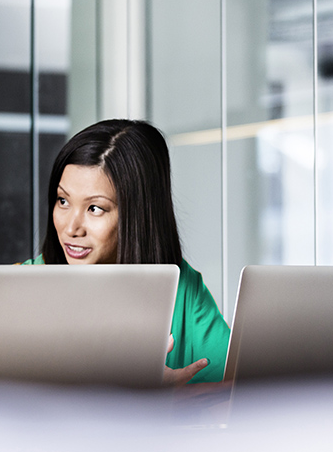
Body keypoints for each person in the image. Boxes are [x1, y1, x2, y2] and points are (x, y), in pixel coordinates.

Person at [24, 119, 230, 385]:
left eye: (95, 208)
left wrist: (173, 404)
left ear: (137, 216)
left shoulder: (183, 288)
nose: (71, 227)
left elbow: (238, 394)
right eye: (63, 201)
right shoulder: (24, 285)